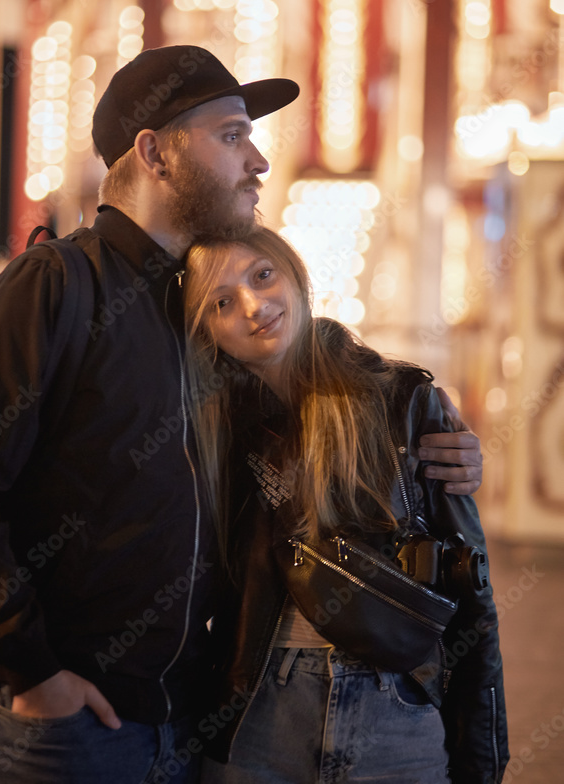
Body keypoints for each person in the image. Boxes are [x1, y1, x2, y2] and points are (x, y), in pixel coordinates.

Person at [0, 45, 483, 784]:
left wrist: (420, 417)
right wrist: (25, 660)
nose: (257, 160)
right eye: (231, 134)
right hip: (67, 725)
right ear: (155, 153)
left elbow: (307, 371)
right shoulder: (57, 283)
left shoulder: (191, 312)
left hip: (182, 727)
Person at [180, 227, 509, 784]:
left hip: (396, 702)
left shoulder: (400, 397)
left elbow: (468, 583)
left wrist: (482, 746)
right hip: (260, 709)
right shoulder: (212, 429)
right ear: (206, 331)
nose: (255, 307)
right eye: (221, 302)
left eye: (263, 275)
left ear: (295, 274)